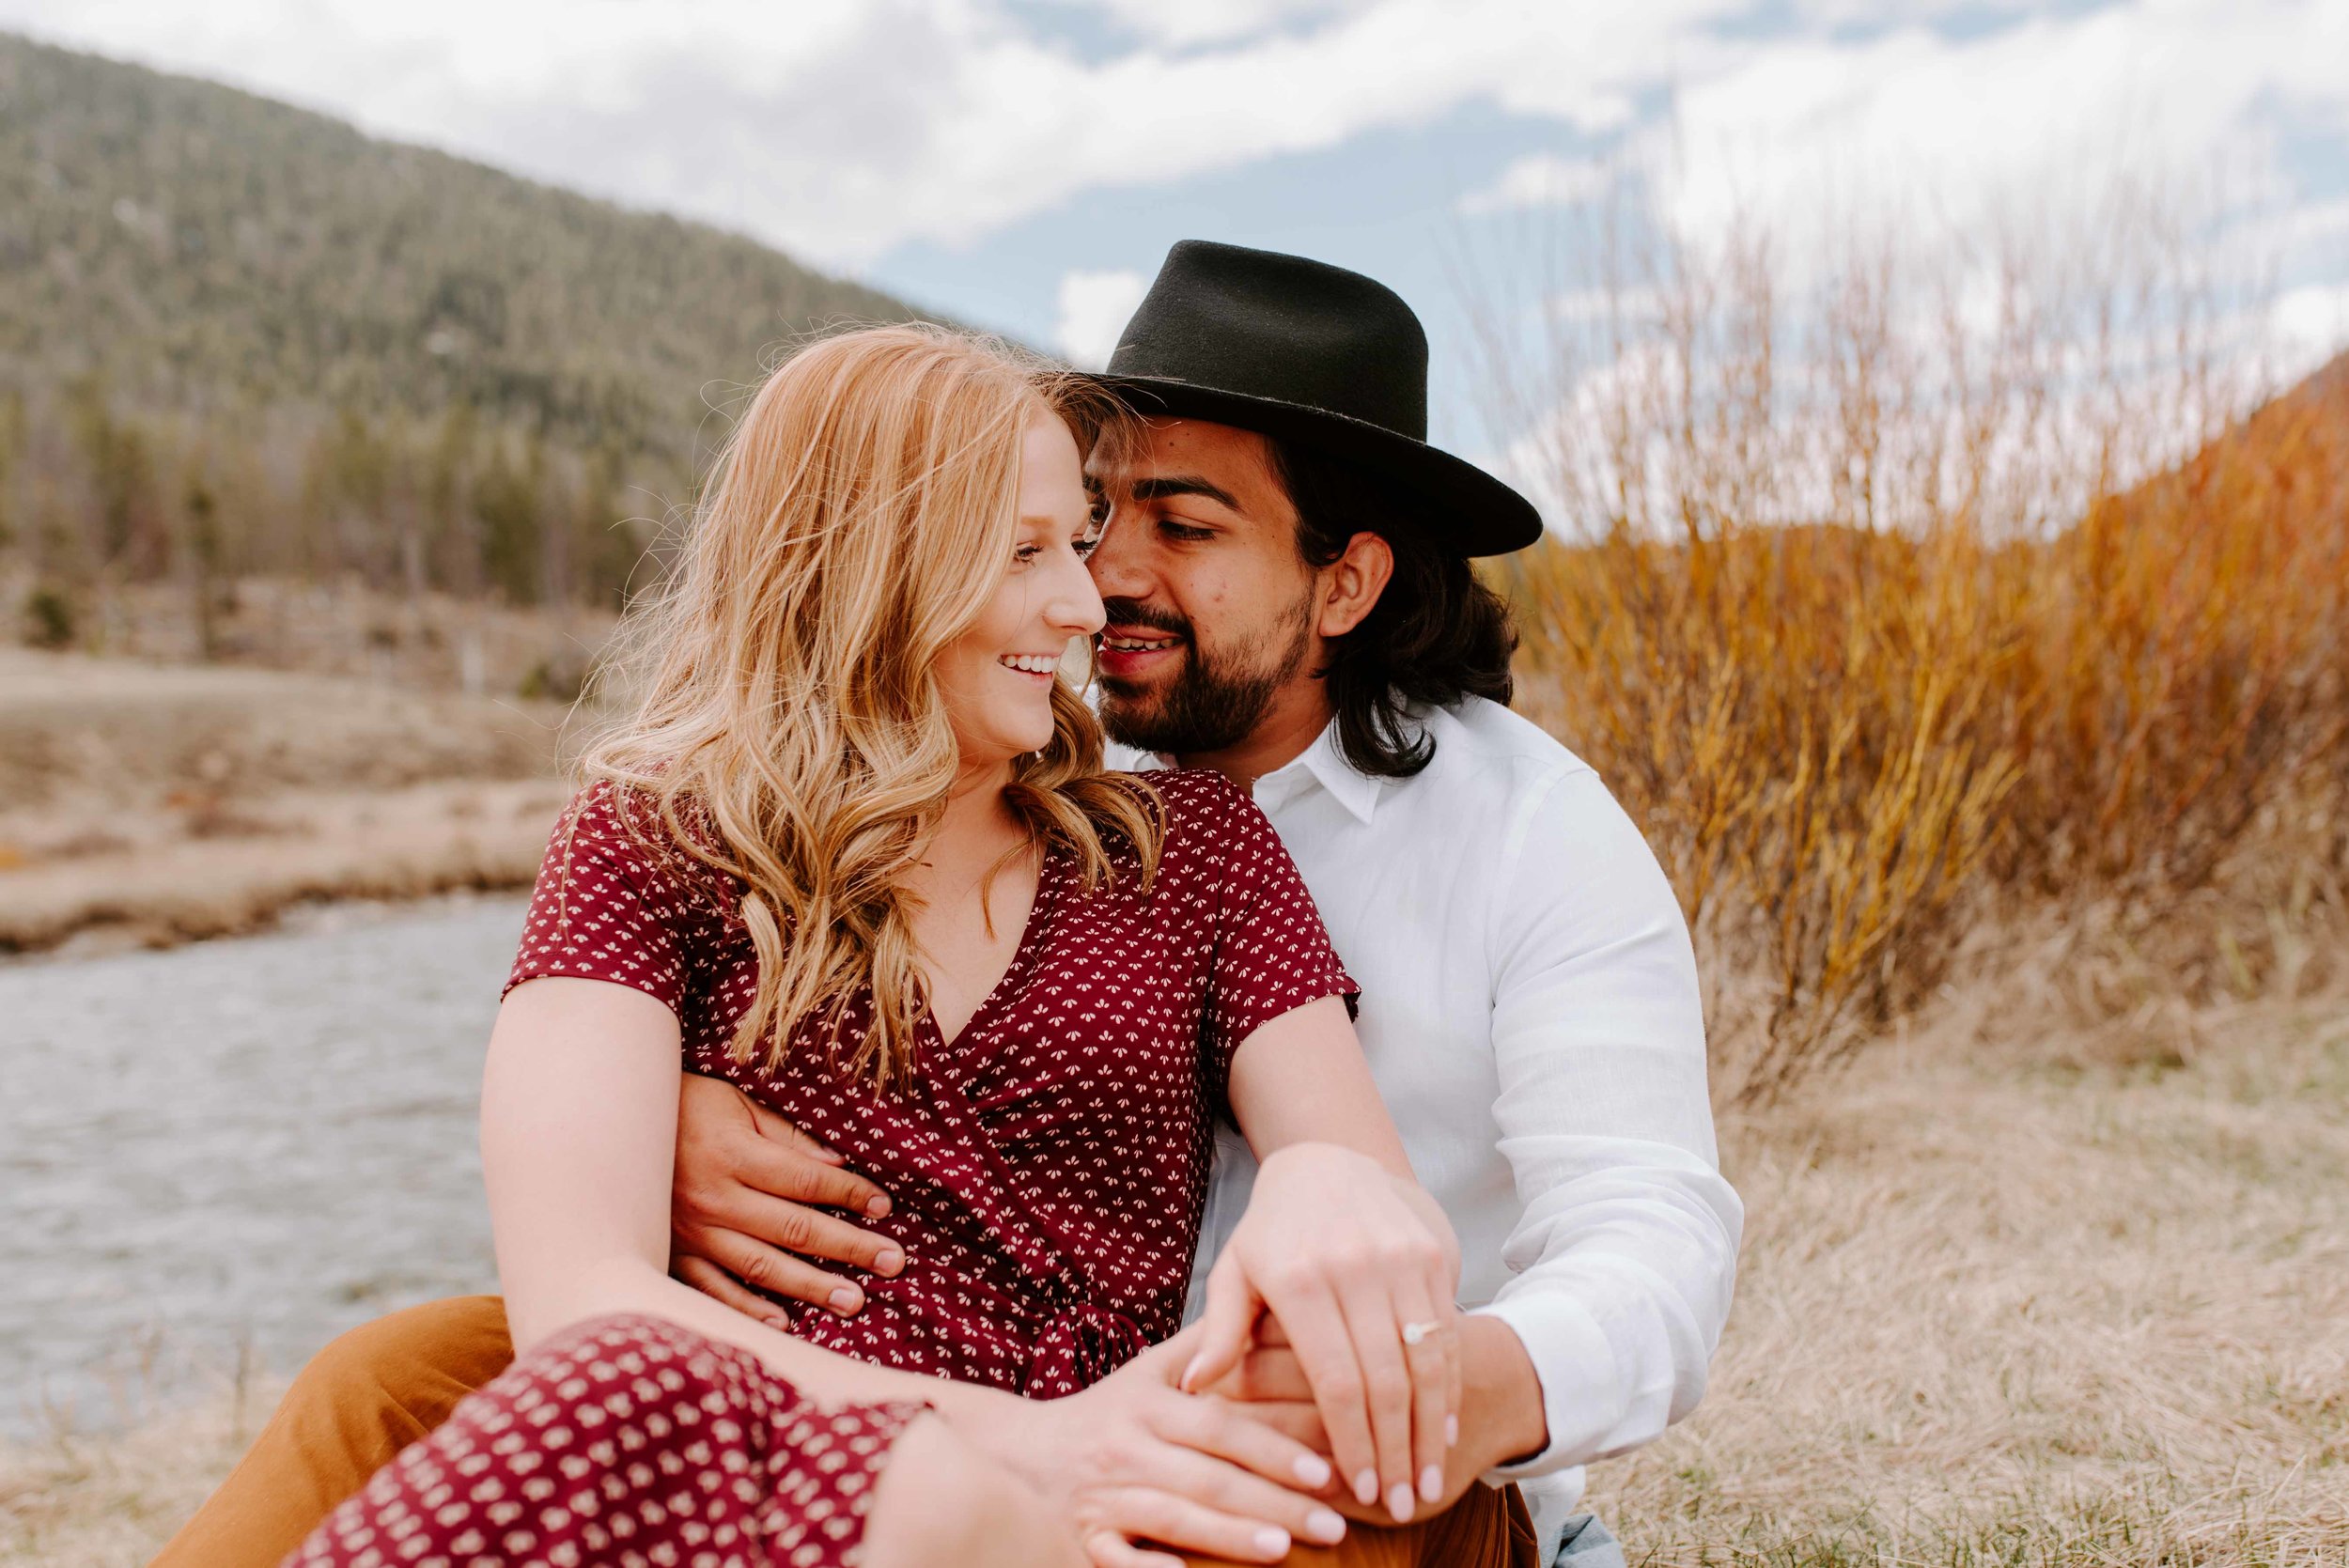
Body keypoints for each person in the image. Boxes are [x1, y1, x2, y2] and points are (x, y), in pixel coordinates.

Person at [156, 244, 1740, 1568]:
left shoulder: (1468, 836)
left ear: (1344, 584)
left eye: (1176, 531)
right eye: (1069, 532)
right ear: (883, 569)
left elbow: (1644, 1237)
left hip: (1282, 1407)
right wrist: (667, 1124)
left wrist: (1371, 1227)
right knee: (393, 1371)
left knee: (1318, 1440)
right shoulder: (783, 797)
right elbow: (588, 1268)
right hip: (816, 1398)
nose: (1099, 586)